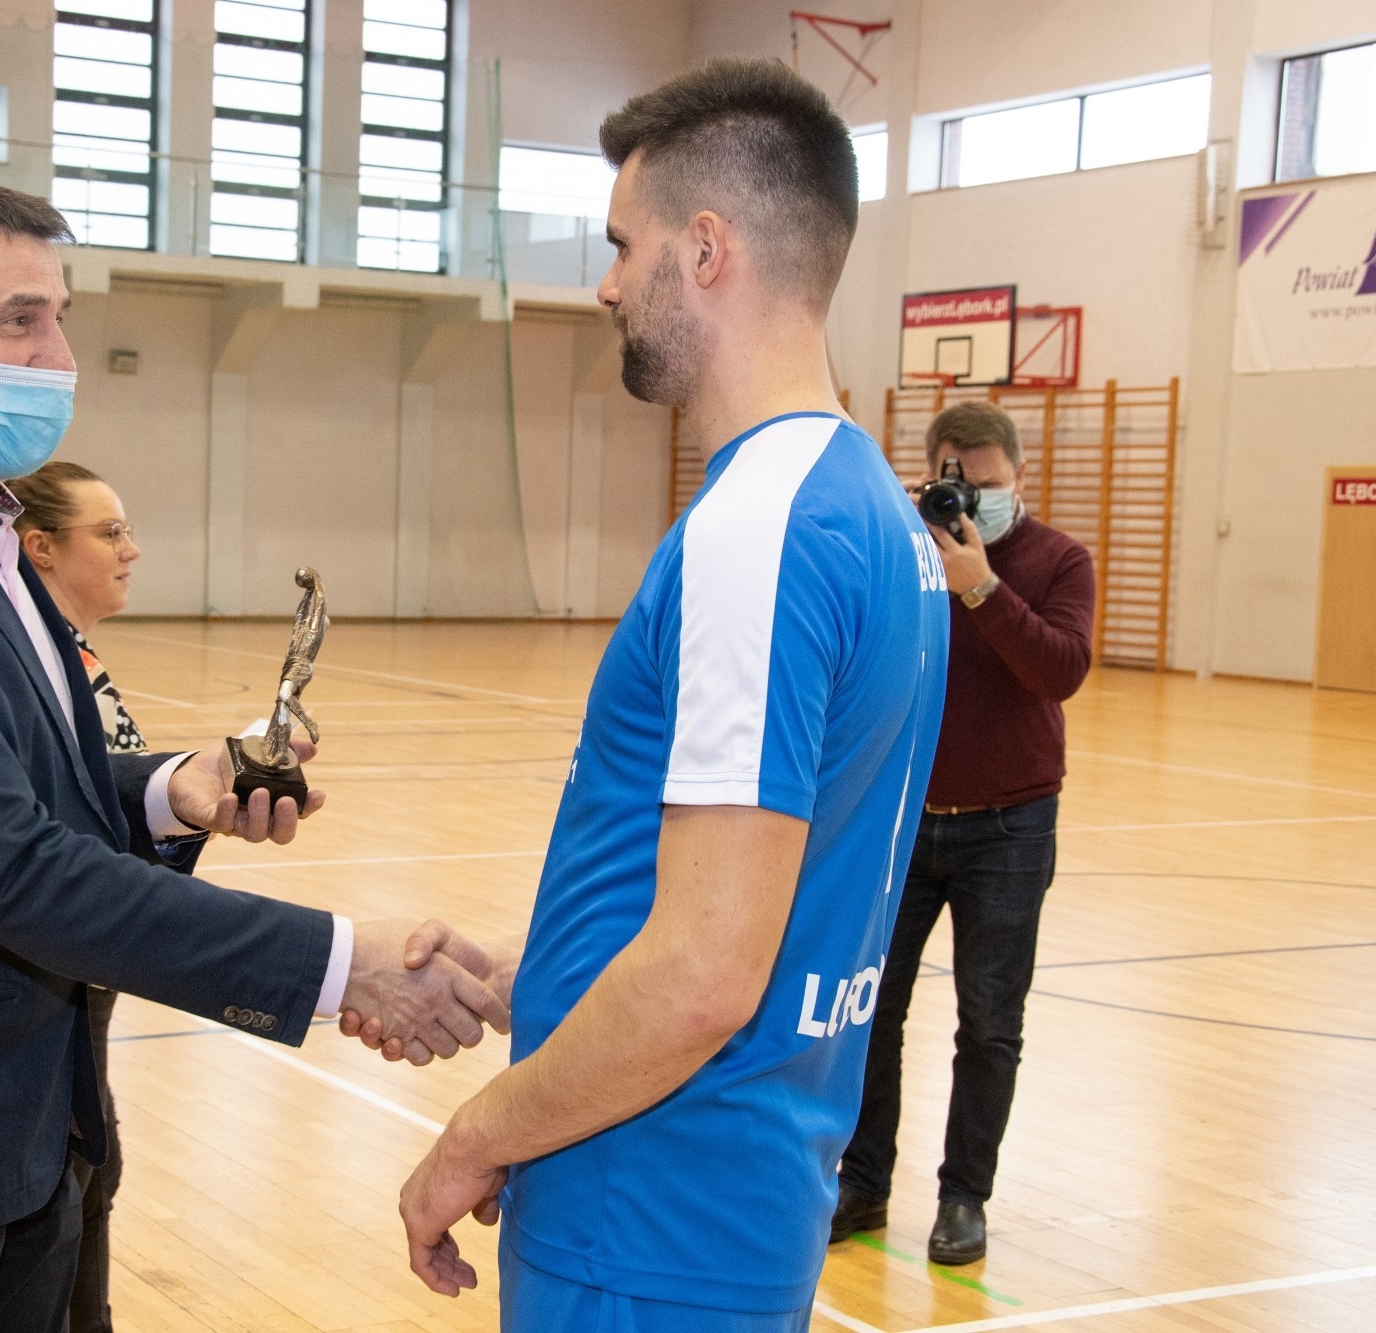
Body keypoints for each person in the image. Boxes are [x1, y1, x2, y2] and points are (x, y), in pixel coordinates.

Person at [0, 176, 509, 1333]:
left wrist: (171, 790)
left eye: (60, 319)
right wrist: (342, 965)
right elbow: (13, 869)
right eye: (18, 320)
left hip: (26, 1138)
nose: (58, 357)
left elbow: (21, 784)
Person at [365, 60, 950, 1331]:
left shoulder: (758, 528)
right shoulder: (873, 514)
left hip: (646, 1208)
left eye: (623, 246)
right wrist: (538, 977)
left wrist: (471, 1137)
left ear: (705, 249)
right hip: (734, 1195)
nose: (606, 284)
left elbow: (700, 973)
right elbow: (754, 894)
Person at [831, 400, 1095, 1265]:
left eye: (985, 484)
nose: (969, 498)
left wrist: (980, 585)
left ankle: (963, 1196)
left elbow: (1060, 669)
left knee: (989, 1021)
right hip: (908, 817)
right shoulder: (904, 553)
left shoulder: (1059, 560)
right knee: (873, 1008)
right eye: (955, 482)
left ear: (1018, 477)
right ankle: (863, 1181)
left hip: (1011, 823)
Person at [10, 460, 148, 1333]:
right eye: (109, 532)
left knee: (95, 1171)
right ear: (42, 548)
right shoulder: (29, 663)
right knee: (69, 1180)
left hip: (93, 966)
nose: (131, 549)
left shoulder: (76, 656)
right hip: (54, 970)